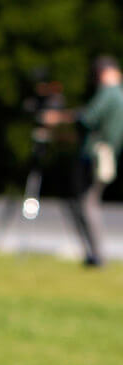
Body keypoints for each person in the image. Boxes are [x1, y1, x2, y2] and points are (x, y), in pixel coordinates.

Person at [55, 56, 123, 268]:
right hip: (107, 153)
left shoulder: (109, 93)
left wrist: (63, 117)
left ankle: (96, 254)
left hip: (96, 154)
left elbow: (88, 118)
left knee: (86, 203)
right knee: (89, 202)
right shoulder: (117, 94)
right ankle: (95, 253)